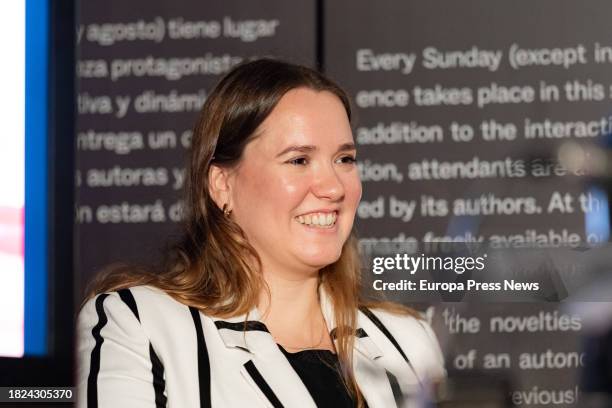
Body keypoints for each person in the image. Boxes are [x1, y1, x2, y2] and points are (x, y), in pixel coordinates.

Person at [76, 58, 446, 408]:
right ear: (222, 184)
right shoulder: (137, 324)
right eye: (299, 160)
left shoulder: (410, 341)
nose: (334, 187)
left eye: (344, 159)